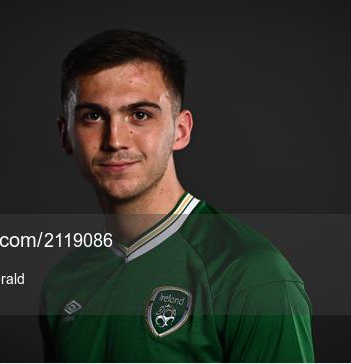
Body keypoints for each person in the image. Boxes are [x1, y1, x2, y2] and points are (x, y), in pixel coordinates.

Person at [40, 29, 315, 362]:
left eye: (140, 115)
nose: (115, 139)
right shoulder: (64, 283)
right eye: (93, 116)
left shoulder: (251, 275)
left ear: (180, 131)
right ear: (65, 135)